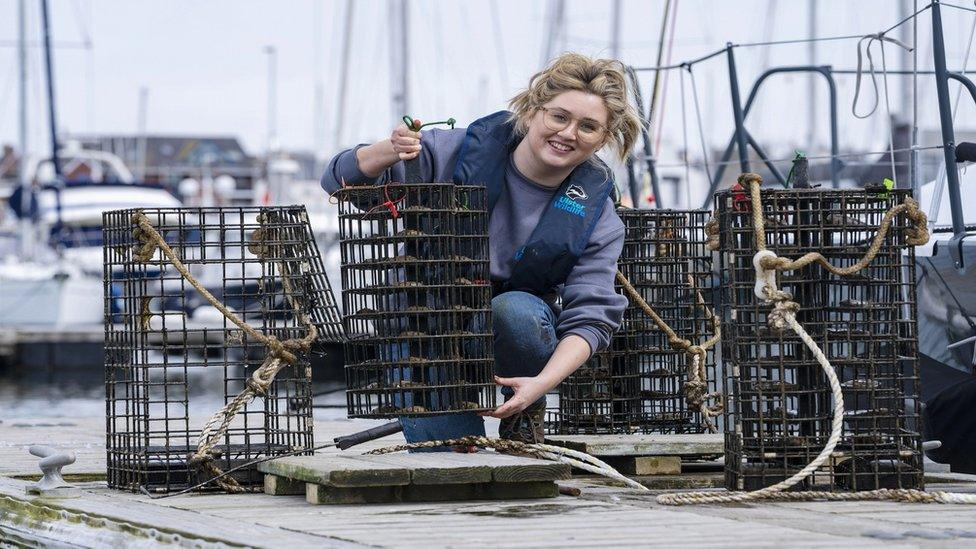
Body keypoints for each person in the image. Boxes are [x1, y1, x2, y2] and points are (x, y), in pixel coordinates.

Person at [321, 52, 641, 445]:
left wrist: (540, 384)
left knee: (517, 312)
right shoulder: (450, 152)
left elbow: (591, 317)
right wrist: (390, 149)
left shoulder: (598, 215)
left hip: (509, 329)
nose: (569, 133)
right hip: (426, 330)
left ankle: (522, 412)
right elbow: (337, 180)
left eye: (588, 127)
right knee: (446, 455)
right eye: (560, 117)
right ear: (531, 112)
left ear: (604, 140)